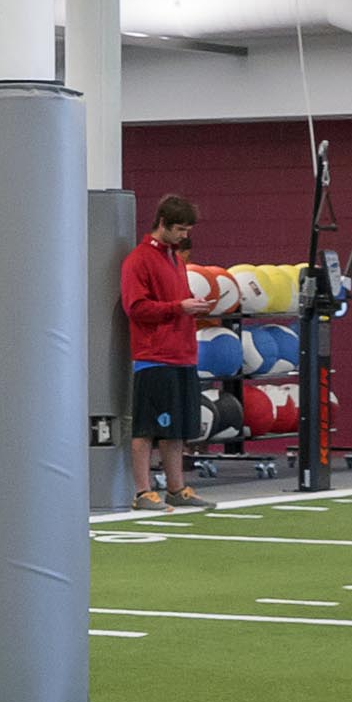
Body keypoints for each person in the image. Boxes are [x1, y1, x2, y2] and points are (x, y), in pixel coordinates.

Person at [120, 194, 210, 512]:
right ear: (162, 223)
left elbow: (177, 301)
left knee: (177, 429)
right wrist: (178, 307)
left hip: (183, 354)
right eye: (180, 229)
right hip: (154, 357)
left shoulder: (175, 259)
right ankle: (143, 492)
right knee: (147, 428)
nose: (185, 235)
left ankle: (176, 488)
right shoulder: (139, 260)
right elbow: (136, 307)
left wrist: (191, 306)